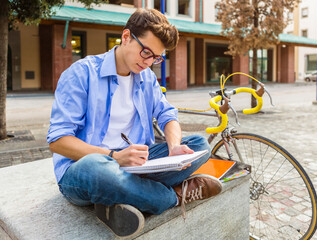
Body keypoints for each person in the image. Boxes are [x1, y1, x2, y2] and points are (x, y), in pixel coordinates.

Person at [47, 8, 222, 238]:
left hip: (136, 164)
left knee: (200, 146)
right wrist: (114, 156)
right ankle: (173, 196)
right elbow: (58, 141)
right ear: (127, 37)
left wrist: (174, 147)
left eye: (157, 58)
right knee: (99, 172)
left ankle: (124, 195)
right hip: (86, 167)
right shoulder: (81, 73)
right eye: (146, 52)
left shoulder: (146, 77)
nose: (149, 63)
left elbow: (168, 114)